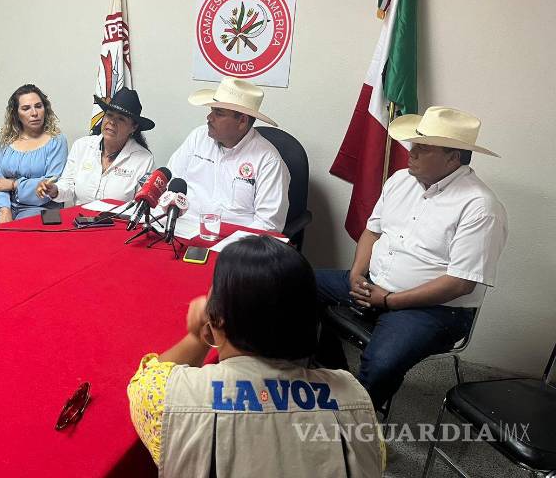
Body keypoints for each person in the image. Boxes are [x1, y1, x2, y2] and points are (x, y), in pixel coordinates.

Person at [128, 235, 383, 476]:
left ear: (216, 317)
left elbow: (148, 380)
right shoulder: (354, 397)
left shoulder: (168, 399)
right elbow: (375, 461)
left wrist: (198, 336)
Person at [316, 107, 507, 411]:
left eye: (423, 147)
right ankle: (333, 374)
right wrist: (356, 274)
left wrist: (389, 300)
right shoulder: (400, 180)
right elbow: (371, 232)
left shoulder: (480, 207)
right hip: (373, 284)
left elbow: (460, 284)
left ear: (453, 158)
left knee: (382, 363)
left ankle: (355, 422)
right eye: (414, 143)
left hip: (434, 309)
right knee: (291, 282)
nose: (411, 152)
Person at [167, 77, 290, 231]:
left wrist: (231, 244)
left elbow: (268, 225)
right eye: (211, 110)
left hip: (234, 240)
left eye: (218, 113)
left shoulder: (268, 160)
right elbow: (169, 182)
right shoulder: (198, 137)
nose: (209, 117)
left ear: (242, 121)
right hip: (181, 229)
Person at [0, 84, 67, 231]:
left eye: (38, 106)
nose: (34, 113)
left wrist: (13, 184)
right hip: (3, 203)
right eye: (26, 108)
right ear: (16, 114)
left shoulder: (56, 140)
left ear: (45, 109)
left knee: (15, 238)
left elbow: (49, 184)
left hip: (40, 206)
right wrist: (5, 210)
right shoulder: (6, 140)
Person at [37, 88, 154, 205]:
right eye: (109, 115)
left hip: (120, 216)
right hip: (80, 215)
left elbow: (143, 204)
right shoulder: (81, 146)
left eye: (121, 119)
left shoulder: (144, 159)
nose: (112, 122)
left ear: (133, 127)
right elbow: (68, 185)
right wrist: (55, 190)